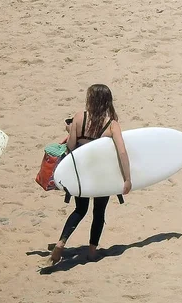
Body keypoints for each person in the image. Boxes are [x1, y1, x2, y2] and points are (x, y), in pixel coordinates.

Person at [50, 84, 131, 264]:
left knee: (80, 209)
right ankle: (92, 252)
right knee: (99, 212)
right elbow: (122, 152)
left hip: (81, 172)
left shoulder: (79, 117)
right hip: (101, 174)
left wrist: (70, 130)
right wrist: (127, 178)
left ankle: (61, 242)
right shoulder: (112, 125)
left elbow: (71, 146)